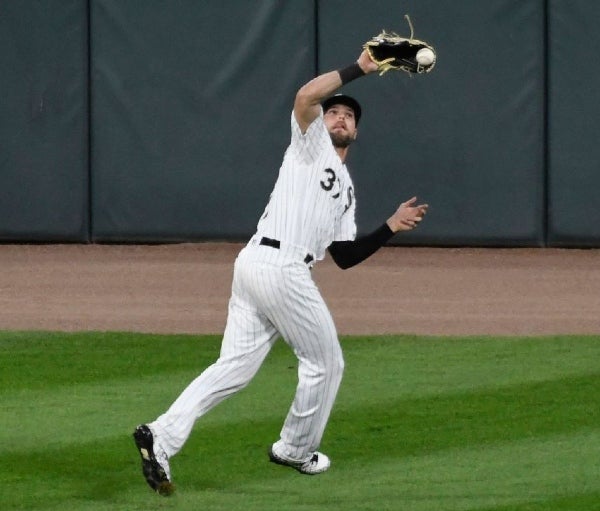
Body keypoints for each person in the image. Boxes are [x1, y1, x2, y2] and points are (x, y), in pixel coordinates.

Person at [133, 48, 428, 496]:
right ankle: (293, 449)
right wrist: (360, 69)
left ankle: (161, 435)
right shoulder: (311, 145)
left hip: (258, 268)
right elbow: (306, 96)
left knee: (233, 368)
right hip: (277, 266)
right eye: (335, 112)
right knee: (326, 362)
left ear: (359, 130)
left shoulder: (347, 190)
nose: (341, 118)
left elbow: (344, 256)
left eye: (349, 115)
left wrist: (388, 226)